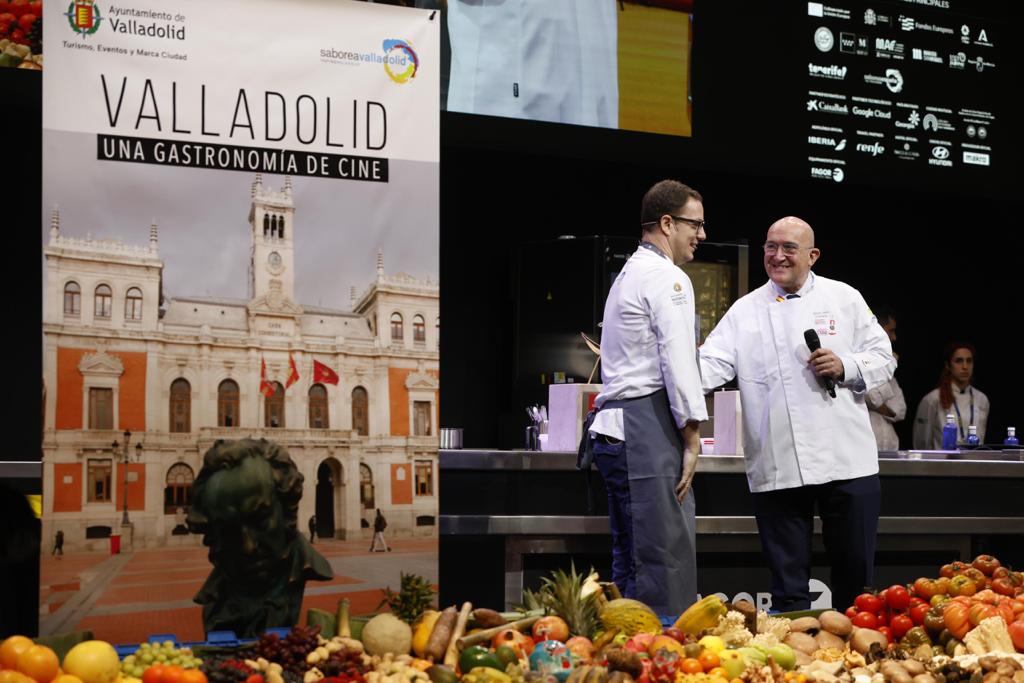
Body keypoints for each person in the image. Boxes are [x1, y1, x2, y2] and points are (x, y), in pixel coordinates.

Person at [698, 216, 895, 613]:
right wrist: (660, 368)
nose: (777, 255)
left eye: (789, 247)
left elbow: (883, 356)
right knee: (788, 591)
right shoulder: (745, 311)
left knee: (856, 585)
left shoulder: (845, 298)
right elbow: (708, 365)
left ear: (812, 255)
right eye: (771, 247)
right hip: (779, 464)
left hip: (848, 462)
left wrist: (846, 365)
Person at [583, 179, 708, 616]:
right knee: (662, 561)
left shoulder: (631, 272)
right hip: (642, 432)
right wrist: (693, 438)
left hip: (619, 432)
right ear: (668, 222)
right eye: (696, 223)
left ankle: (626, 651)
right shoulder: (666, 277)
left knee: (631, 559)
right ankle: (664, 657)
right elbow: (678, 361)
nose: (702, 234)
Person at [187, 438, 333, 637]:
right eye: (230, 529)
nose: (248, 547)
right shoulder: (216, 598)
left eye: (260, 519)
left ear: (286, 507)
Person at [912, 343, 990, 449]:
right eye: (959, 361)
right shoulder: (932, 399)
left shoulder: (982, 399)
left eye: (969, 361)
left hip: (973, 462)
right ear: (948, 365)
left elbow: (981, 437)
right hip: (942, 463)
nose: (965, 366)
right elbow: (921, 442)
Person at [865, 306, 906, 452]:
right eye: (891, 331)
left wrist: (877, 407)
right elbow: (871, 397)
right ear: (878, 331)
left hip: (890, 447)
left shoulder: (887, 370)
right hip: (867, 450)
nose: (894, 338)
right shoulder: (862, 362)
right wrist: (889, 365)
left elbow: (900, 411)